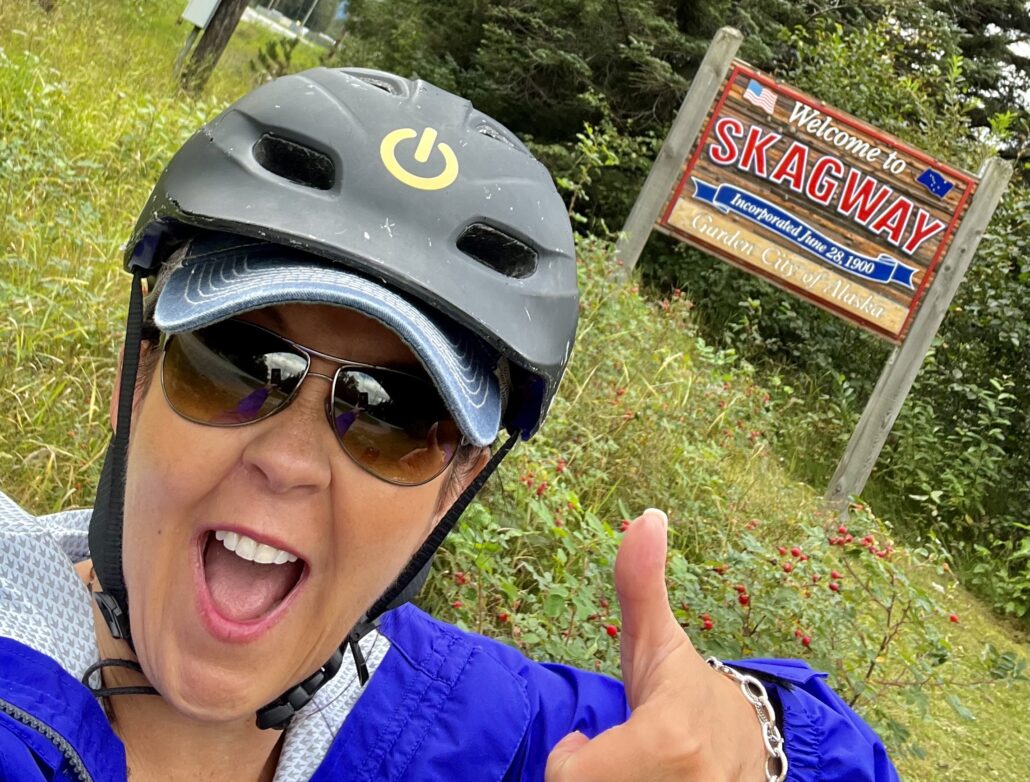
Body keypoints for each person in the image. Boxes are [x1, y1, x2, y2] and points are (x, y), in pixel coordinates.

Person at [0, 67, 898, 781]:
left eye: (396, 415)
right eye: (238, 362)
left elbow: (831, 752)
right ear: (139, 373)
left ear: (455, 487)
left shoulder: (465, 724)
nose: (290, 461)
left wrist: (748, 735)